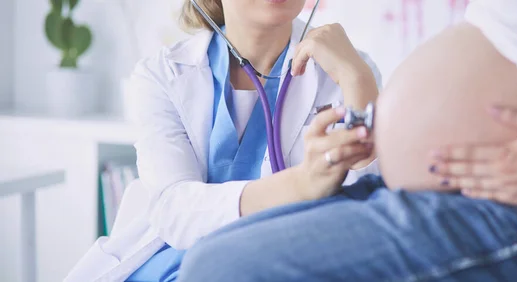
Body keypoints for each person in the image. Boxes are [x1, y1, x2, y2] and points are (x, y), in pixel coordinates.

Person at [175, 0, 517, 281]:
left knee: (220, 269)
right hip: (449, 189)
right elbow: (172, 206)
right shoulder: (166, 72)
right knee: (206, 260)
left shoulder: (332, 57)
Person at [64, 0, 382, 281]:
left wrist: (358, 79)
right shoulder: (161, 75)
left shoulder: (349, 68)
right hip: (179, 256)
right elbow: (174, 210)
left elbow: (372, 218)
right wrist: (301, 185)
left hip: (288, 259)